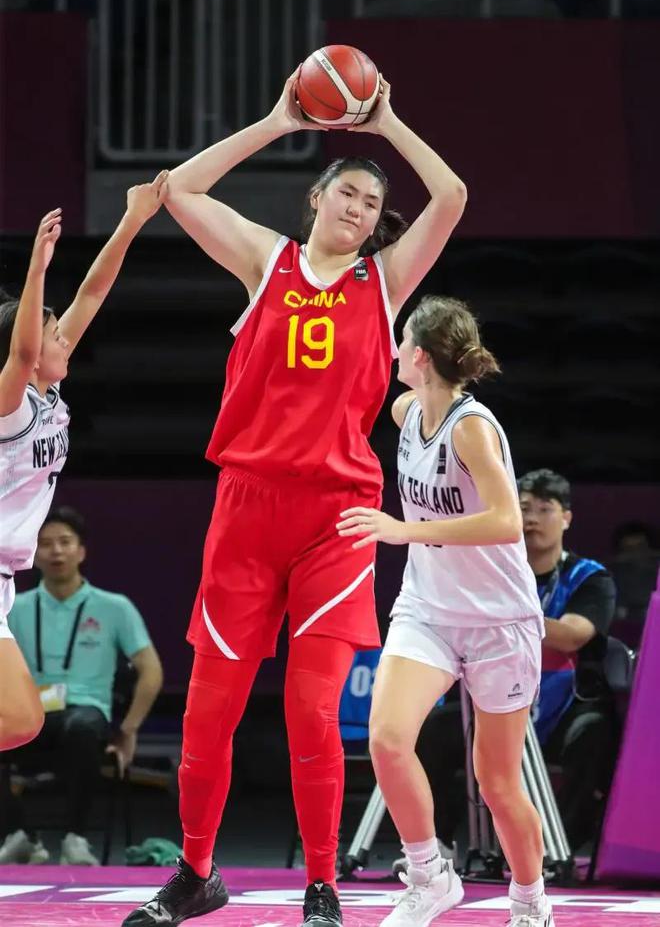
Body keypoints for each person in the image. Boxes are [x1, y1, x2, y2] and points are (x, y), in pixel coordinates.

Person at [122, 69, 467, 927]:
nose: (357, 207)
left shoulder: (385, 283)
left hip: (335, 519)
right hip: (246, 509)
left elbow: (453, 197)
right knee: (208, 716)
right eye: (345, 191)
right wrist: (279, 121)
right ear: (315, 197)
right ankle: (195, 874)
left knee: (313, 714)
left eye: (370, 202)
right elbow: (178, 190)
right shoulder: (264, 259)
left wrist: (388, 125)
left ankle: (322, 885)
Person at [337, 296, 554, 927]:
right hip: (428, 609)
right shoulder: (407, 410)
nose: (395, 350)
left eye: (403, 340)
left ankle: (530, 900)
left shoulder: (471, 428)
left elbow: (506, 520)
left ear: (423, 357)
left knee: (497, 782)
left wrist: (404, 530)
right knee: (387, 738)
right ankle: (431, 876)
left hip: (498, 620)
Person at [0, 172, 168, 753]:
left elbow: (92, 294)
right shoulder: (11, 405)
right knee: (21, 719)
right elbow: (24, 349)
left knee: (22, 723)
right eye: (55, 335)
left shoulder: (49, 392)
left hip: (4, 578)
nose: (64, 340)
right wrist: (37, 269)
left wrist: (132, 221)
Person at [0, 506, 163, 865]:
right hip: (32, 714)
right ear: (32, 553)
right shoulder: (11, 607)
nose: (56, 551)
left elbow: (151, 669)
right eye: (45, 544)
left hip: (87, 714)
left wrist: (129, 729)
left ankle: (76, 839)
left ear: (82, 551)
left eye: (65, 542)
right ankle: (19, 834)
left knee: (81, 727)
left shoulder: (114, 607)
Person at [518, 468, 618, 851]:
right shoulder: (495, 574)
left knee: (593, 730)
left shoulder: (590, 578)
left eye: (544, 509)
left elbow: (573, 636)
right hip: (499, 702)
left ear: (566, 518)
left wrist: (505, 614)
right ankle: (439, 843)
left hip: (568, 707)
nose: (531, 519)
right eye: (523, 508)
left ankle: (560, 848)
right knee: (438, 727)